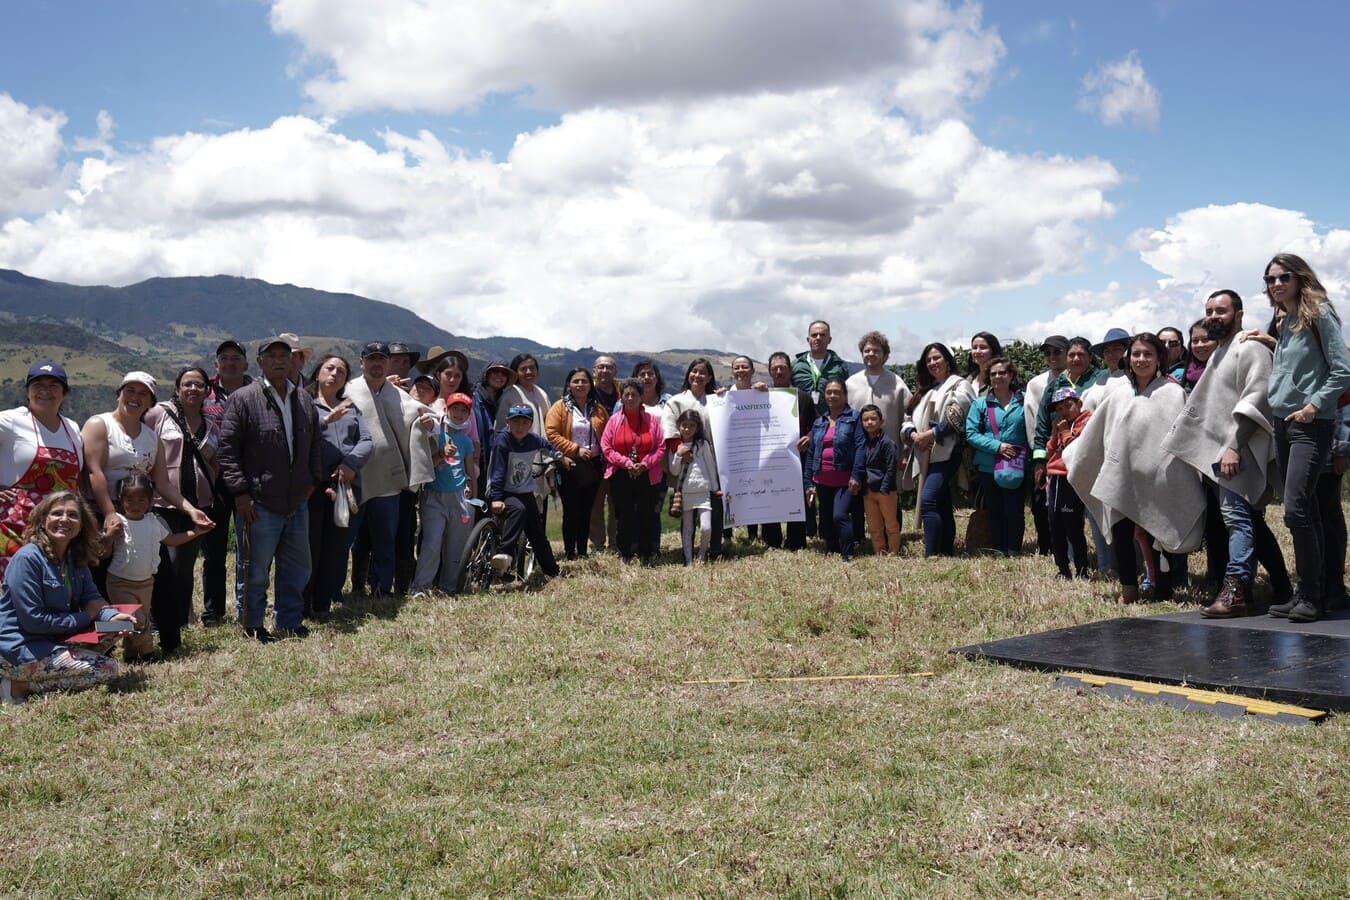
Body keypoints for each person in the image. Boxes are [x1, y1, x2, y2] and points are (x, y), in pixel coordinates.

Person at [1162, 290, 1282, 618]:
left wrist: (1233, 446)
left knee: (1238, 521)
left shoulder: (1250, 347)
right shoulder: (1221, 351)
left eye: (1221, 311)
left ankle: (1237, 591)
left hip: (1238, 451)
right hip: (1222, 452)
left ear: (1239, 314)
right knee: (1247, 521)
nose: (1214, 316)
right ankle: (1281, 587)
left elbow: (1257, 398)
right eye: (1209, 311)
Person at [1064, 333, 1206, 604]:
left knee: (1159, 532)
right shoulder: (1118, 394)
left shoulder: (1173, 393)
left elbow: (1184, 436)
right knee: (1121, 531)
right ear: (1129, 358)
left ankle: (1163, 589)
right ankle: (1128, 586)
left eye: (1148, 354)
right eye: (1137, 354)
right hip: (1122, 476)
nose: (1142, 360)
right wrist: (1074, 452)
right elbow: (1100, 432)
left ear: (1158, 359)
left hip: (1160, 478)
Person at [1260, 253, 1350, 622]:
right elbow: (1298, 369)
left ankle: (1313, 597)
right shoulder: (1288, 320)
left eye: (1283, 277)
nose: (1276, 284)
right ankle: (1307, 593)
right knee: (1304, 509)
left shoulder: (1319, 314)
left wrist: (1314, 406)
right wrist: (1269, 340)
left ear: (1300, 278)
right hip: (1283, 423)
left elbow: (1342, 370)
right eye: (1269, 279)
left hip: (1310, 424)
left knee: (1297, 509)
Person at [217, 336, 324, 642]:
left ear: (293, 361)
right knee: (254, 569)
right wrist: (240, 493)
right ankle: (253, 625)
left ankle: (290, 621)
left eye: (284, 355)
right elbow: (228, 449)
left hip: (297, 501)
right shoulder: (244, 398)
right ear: (260, 362)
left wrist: (313, 480)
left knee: (297, 566)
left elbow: (315, 443)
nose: (279, 360)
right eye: (271, 355)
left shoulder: (303, 399)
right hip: (258, 502)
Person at [81, 372, 214, 592]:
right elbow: (94, 472)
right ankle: (106, 625)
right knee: (100, 579)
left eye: (143, 393)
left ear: (151, 402)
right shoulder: (99, 424)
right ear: (119, 394)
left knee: (157, 579)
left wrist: (191, 511)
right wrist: (109, 514)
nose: (135, 397)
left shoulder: (152, 438)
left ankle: (159, 626)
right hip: (100, 513)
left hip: (138, 517)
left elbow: (163, 484)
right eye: (130, 391)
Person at [0, 492, 129, 704]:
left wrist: (113, 617)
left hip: (53, 638)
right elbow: (34, 621)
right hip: (20, 647)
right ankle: (17, 685)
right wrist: (86, 616)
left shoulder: (74, 556)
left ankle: (50, 670)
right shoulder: (28, 559)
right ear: (43, 520)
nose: (64, 519)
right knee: (107, 669)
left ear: (82, 524)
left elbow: (92, 598)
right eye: (57, 513)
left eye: (72, 515)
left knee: (113, 630)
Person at [344, 342, 435, 598]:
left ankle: (382, 589)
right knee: (353, 541)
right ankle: (349, 589)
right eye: (371, 359)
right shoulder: (349, 389)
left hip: (388, 480)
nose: (376, 364)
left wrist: (427, 424)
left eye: (381, 359)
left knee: (385, 540)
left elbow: (423, 417)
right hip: (356, 479)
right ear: (362, 362)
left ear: (387, 363)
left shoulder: (397, 394)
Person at [142, 367, 218, 653]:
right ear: (177, 389)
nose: (193, 389)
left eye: (199, 384)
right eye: (187, 384)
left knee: (185, 567)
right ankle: (156, 622)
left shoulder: (211, 425)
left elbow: (215, 462)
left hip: (197, 505)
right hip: (162, 503)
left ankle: (180, 623)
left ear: (207, 390)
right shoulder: (158, 415)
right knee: (164, 565)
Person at [0, 362, 84, 580]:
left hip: (59, 531)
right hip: (14, 528)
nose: (45, 391)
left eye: (53, 385)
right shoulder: (11, 420)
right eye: (38, 384)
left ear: (64, 393)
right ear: (27, 390)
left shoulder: (73, 429)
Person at [105, 475, 203, 658]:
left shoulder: (152, 521)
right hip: (120, 582)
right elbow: (103, 550)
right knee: (138, 621)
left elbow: (171, 540)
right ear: (120, 501)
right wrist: (109, 535)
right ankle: (147, 652)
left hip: (145, 582)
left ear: (150, 501)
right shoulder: (119, 522)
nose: (135, 505)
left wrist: (195, 532)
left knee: (137, 619)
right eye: (130, 500)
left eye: (141, 500)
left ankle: (132, 653)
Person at [305, 354, 371, 620]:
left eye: (341, 371)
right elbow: (299, 437)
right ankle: (301, 604)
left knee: (335, 548)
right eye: (329, 368)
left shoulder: (352, 407)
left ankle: (322, 605)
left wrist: (350, 464)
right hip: (312, 487)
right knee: (309, 548)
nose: (334, 374)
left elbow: (366, 440)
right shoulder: (305, 405)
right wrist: (326, 420)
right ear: (318, 372)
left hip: (345, 486)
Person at [902, 343, 975, 557]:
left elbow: (959, 414)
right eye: (929, 360)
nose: (933, 363)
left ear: (947, 360)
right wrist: (914, 435)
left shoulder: (959, 385)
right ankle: (945, 550)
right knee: (941, 503)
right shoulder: (925, 391)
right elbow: (907, 419)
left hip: (947, 453)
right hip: (924, 454)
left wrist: (931, 435)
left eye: (937, 358)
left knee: (928, 501)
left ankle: (931, 553)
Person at [199, 340, 252, 626]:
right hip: (213, 482)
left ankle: (247, 607)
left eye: (236, 358)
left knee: (250, 549)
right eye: (224, 358)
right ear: (216, 364)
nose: (230, 362)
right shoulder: (202, 389)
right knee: (214, 550)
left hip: (248, 482)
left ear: (245, 363)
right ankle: (213, 612)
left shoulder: (258, 389)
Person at [488, 404, 571, 578]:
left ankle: (552, 572)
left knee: (537, 533)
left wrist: (562, 458)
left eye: (524, 423)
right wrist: (496, 497)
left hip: (524, 492)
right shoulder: (502, 441)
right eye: (515, 422)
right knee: (518, 509)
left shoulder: (533, 439)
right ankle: (505, 554)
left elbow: (548, 446)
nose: (519, 427)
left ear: (531, 424)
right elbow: (497, 471)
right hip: (504, 491)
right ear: (507, 422)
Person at [410, 393, 477, 597]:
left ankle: (450, 587)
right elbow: (426, 464)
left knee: (456, 545)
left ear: (468, 416)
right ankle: (421, 587)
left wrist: (474, 496)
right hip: (433, 496)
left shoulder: (466, 442)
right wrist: (441, 454)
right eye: (454, 409)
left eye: (463, 411)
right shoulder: (436, 435)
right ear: (446, 411)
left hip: (459, 498)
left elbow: (470, 471)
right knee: (432, 542)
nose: (458, 414)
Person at [846, 331, 912, 535]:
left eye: (876, 350)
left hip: (888, 451)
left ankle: (892, 536)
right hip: (858, 451)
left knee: (890, 492)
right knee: (858, 493)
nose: (871, 354)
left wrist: (906, 451)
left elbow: (908, 418)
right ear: (862, 354)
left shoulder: (897, 384)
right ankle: (860, 536)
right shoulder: (851, 384)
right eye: (867, 350)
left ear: (885, 355)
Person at [964, 356, 1028, 557]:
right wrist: (997, 446)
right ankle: (999, 549)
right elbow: (971, 434)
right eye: (993, 374)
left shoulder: (1025, 401)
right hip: (989, 465)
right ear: (988, 378)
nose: (998, 377)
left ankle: (1015, 549)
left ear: (1011, 375)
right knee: (995, 510)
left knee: (1015, 510)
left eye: (1002, 372)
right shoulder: (980, 404)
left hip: (1017, 465)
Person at [545, 368, 609, 560]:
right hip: (569, 465)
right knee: (571, 509)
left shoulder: (598, 409)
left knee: (586, 509)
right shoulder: (559, 407)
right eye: (576, 381)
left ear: (591, 385)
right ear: (568, 385)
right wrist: (575, 449)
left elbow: (607, 433)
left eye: (584, 381)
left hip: (593, 466)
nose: (580, 385)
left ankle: (582, 551)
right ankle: (569, 551)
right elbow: (551, 434)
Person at [664, 359, 723, 559]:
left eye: (702, 372)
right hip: (686, 461)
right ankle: (687, 553)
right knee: (687, 514)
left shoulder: (716, 400)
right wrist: (679, 449)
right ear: (688, 374)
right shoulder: (675, 401)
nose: (697, 375)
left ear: (709, 378)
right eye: (694, 371)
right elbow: (670, 429)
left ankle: (713, 549)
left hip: (713, 457)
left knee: (714, 508)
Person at [601, 379, 665, 564]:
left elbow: (660, 447)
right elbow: (606, 448)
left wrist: (644, 464)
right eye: (626, 395)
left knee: (646, 513)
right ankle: (625, 552)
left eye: (634, 395)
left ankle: (646, 551)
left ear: (641, 397)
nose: (630, 398)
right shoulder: (614, 421)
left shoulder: (651, 420)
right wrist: (626, 463)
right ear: (621, 397)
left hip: (647, 473)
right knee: (624, 515)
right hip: (622, 474)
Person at [804, 379, 864, 560]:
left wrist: (856, 475)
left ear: (844, 395)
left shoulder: (854, 418)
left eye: (837, 392)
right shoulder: (819, 422)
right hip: (822, 479)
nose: (832, 396)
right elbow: (812, 451)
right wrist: (808, 480)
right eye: (829, 392)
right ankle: (832, 549)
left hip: (845, 479)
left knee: (840, 515)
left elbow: (860, 446)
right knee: (827, 518)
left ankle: (847, 553)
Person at [761, 351, 815, 551]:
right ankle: (771, 540)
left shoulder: (803, 397)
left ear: (790, 370)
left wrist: (808, 438)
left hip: (795, 458)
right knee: (768, 495)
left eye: (782, 367)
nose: (778, 371)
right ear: (769, 371)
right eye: (774, 368)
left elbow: (814, 425)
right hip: (767, 459)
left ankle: (796, 541)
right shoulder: (761, 396)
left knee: (795, 497)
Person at [496, 353, 553, 525]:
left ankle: (533, 547)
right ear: (516, 372)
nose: (529, 372)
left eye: (532, 368)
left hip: (539, 455)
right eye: (523, 369)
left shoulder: (541, 393)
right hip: (518, 457)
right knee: (521, 505)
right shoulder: (510, 395)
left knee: (539, 505)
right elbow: (500, 428)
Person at [1024, 336, 1068, 556]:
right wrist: (1039, 455)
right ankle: (1045, 545)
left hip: (1072, 450)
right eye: (1048, 353)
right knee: (1041, 501)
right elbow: (1033, 422)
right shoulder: (1036, 384)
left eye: (1057, 352)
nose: (1052, 357)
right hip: (1046, 451)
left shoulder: (1076, 380)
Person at [1044, 389, 1091, 579]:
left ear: (1079, 404)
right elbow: (1051, 451)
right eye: (1059, 408)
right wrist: (1056, 433)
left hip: (1071, 478)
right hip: (1055, 477)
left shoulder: (1085, 422)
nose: (1063, 412)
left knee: (1073, 526)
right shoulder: (1061, 424)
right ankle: (1062, 569)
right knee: (1055, 526)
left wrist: (1064, 431)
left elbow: (1076, 450)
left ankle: (1082, 570)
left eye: (1068, 406)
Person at [669, 410, 720, 564]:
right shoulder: (677, 447)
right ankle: (689, 560)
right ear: (679, 426)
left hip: (703, 491)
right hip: (686, 492)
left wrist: (715, 487)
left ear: (697, 428)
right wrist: (678, 455)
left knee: (706, 527)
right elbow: (674, 471)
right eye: (684, 425)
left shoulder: (703, 445)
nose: (687, 429)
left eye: (691, 426)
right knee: (688, 529)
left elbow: (711, 466)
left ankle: (702, 555)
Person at [632, 359, 671, 552]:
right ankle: (635, 546)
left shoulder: (668, 402)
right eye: (642, 374)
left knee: (654, 509)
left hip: (659, 465)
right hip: (633, 466)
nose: (646, 377)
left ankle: (653, 548)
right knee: (635, 509)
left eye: (650, 374)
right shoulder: (627, 400)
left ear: (657, 378)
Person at [856, 404, 900, 556]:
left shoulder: (887, 443)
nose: (869, 422)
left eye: (873, 419)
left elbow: (891, 468)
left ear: (881, 421)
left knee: (890, 524)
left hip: (885, 490)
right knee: (874, 526)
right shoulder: (862, 443)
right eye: (865, 419)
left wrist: (885, 488)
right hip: (868, 491)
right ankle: (879, 552)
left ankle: (893, 551)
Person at [588, 355, 621, 554]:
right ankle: (597, 545)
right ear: (594, 371)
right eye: (600, 367)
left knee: (617, 503)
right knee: (596, 504)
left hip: (618, 458)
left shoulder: (622, 394)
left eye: (609, 368)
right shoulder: (587, 394)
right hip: (595, 459)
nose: (604, 371)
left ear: (615, 372)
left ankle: (616, 542)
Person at [472, 359, 515, 498]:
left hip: (494, 463)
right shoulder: (473, 398)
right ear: (487, 373)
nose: (499, 376)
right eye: (496, 371)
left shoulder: (501, 401)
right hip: (477, 461)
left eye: (504, 373)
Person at [792, 320, 849, 417]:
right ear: (808, 339)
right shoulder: (795, 365)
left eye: (822, 335)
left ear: (829, 339)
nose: (818, 338)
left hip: (830, 421)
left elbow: (846, 396)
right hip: (801, 422)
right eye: (814, 335)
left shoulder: (839, 366)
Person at [1081, 327, 1130, 409]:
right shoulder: (1099, 381)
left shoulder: (1136, 378)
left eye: (1116, 349)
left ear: (1127, 351)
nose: (1111, 354)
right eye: (1107, 351)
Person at [965, 332, 1003, 396]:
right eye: (974, 348)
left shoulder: (1000, 378)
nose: (977, 351)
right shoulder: (968, 380)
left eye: (983, 347)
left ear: (993, 351)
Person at [1183, 319, 1216, 392]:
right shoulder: (1186, 373)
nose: (1200, 345)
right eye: (1195, 341)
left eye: (1205, 340)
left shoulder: (1227, 369)